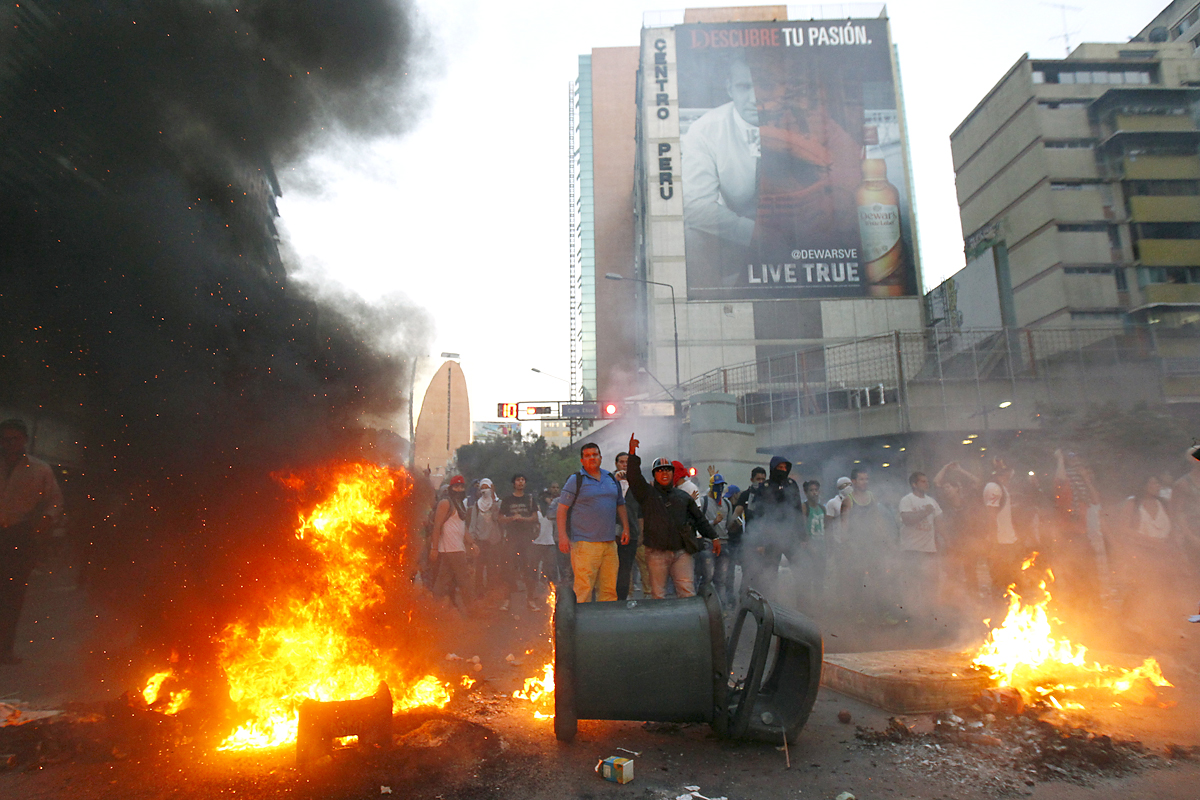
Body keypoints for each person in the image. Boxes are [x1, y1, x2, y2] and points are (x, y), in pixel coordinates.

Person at [625, 434, 720, 600]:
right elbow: (634, 478)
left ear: (673, 473)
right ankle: (661, 626)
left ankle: (688, 625)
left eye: (667, 470)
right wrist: (632, 455)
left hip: (682, 553)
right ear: (654, 475)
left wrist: (714, 537)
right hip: (656, 552)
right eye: (660, 471)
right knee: (658, 595)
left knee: (687, 593)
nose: (664, 473)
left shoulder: (683, 497)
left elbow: (700, 519)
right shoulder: (647, 494)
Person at [0, 419, 63, 665]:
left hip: (18, 535)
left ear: (24, 440)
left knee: (12, 596)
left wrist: (47, 519)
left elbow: (55, 501)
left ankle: (4, 649)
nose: (9, 444)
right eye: (5, 440)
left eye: (14, 439)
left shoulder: (40, 470)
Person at [556, 443, 629, 603]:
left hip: (609, 543)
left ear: (601, 458)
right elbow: (562, 510)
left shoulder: (610, 478)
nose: (592, 458)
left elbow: (620, 504)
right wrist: (562, 536)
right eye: (588, 456)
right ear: (582, 460)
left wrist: (626, 529)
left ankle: (605, 625)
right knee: (584, 589)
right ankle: (582, 626)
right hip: (584, 544)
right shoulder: (576, 480)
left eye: (595, 455)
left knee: (609, 590)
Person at [741, 456, 805, 599]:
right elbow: (757, 515)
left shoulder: (791, 484)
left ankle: (804, 605)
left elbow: (798, 510)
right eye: (779, 468)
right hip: (771, 538)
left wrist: (802, 536)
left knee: (800, 570)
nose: (782, 471)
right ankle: (771, 607)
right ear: (773, 468)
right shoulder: (764, 487)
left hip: (791, 536)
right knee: (770, 575)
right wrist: (759, 542)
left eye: (785, 468)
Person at [897, 472, 943, 622]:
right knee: (913, 584)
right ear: (914, 484)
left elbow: (939, 524)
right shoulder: (907, 500)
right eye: (923, 481)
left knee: (930, 584)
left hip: (929, 549)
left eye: (927, 481)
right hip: (912, 549)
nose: (927, 484)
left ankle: (929, 614)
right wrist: (925, 511)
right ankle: (912, 615)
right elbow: (907, 520)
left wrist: (944, 542)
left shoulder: (932, 502)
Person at [429, 475, 475, 613]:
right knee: (465, 580)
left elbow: (462, 527)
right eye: (456, 486)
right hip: (451, 549)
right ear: (451, 488)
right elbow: (437, 527)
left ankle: (431, 609)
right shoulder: (445, 503)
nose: (459, 489)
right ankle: (473, 610)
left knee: (442, 582)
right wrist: (434, 548)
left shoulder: (459, 504)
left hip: (456, 548)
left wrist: (472, 543)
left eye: (461, 487)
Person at [500, 473, 541, 612]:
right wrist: (512, 519)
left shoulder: (530, 499)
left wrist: (523, 519)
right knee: (508, 569)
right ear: (514, 483)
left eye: (523, 480)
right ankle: (507, 599)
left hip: (527, 539)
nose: (521, 482)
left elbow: (535, 517)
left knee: (529, 569)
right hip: (511, 538)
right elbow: (500, 518)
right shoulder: (507, 500)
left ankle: (530, 599)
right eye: (518, 480)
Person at [984, 460, 1022, 609]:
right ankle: (1000, 614)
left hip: (1008, 541)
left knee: (1010, 580)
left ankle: (1009, 610)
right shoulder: (993, 487)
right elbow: (991, 515)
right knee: (1000, 582)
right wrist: (993, 542)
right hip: (1000, 544)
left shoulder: (1001, 487)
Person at [697, 470, 732, 601]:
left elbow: (728, 523)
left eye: (722, 485)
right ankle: (703, 602)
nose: (720, 488)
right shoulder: (703, 501)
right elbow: (700, 523)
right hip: (708, 543)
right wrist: (713, 522)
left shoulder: (727, 503)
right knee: (707, 576)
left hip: (723, 543)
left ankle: (721, 606)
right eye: (717, 485)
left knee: (721, 579)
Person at [612, 452, 643, 601]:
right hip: (609, 533)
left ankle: (621, 600)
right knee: (609, 569)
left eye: (627, 462)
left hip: (631, 533)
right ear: (616, 464)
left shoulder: (637, 484)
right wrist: (615, 481)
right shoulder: (608, 481)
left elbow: (641, 510)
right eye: (621, 462)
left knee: (625, 569)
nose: (624, 465)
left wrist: (641, 533)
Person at [796, 479, 827, 612]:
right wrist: (808, 544)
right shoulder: (804, 507)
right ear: (806, 493)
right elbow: (801, 527)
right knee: (806, 579)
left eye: (816, 490)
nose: (814, 493)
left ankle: (818, 606)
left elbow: (826, 528)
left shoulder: (822, 508)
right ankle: (804, 607)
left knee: (819, 578)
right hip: (808, 548)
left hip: (821, 547)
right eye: (811, 490)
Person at [469, 478, 503, 598]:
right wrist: (472, 541)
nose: (485, 491)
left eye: (487, 488)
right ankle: (479, 591)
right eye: (482, 488)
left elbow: (497, 518)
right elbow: (473, 524)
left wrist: (493, 502)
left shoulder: (498, 503)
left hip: (494, 541)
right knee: (479, 568)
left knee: (492, 567)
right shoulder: (477, 505)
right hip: (480, 541)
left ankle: (491, 591)